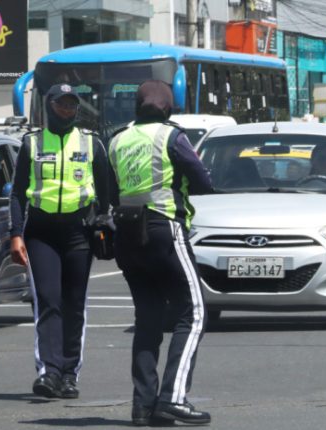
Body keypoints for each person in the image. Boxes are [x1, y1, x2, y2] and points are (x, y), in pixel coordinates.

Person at [108, 80, 213, 426]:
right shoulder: (172, 136)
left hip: (127, 234)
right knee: (193, 312)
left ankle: (143, 406)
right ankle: (173, 398)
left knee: (148, 320)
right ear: (168, 108)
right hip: (164, 227)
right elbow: (202, 181)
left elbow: (110, 190)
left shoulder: (118, 138)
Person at [9, 83, 109, 399]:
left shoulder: (92, 143)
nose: (66, 110)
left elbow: (107, 192)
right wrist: (16, 234)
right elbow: (16, 192)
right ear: (49, 105)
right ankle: (49, 373)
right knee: (49, 300)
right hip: (41, 232)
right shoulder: (31, 143)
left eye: (71, 104)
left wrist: (102, 225)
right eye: (60, 104)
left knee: (74, 303)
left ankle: (69, 374)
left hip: (78, 231)